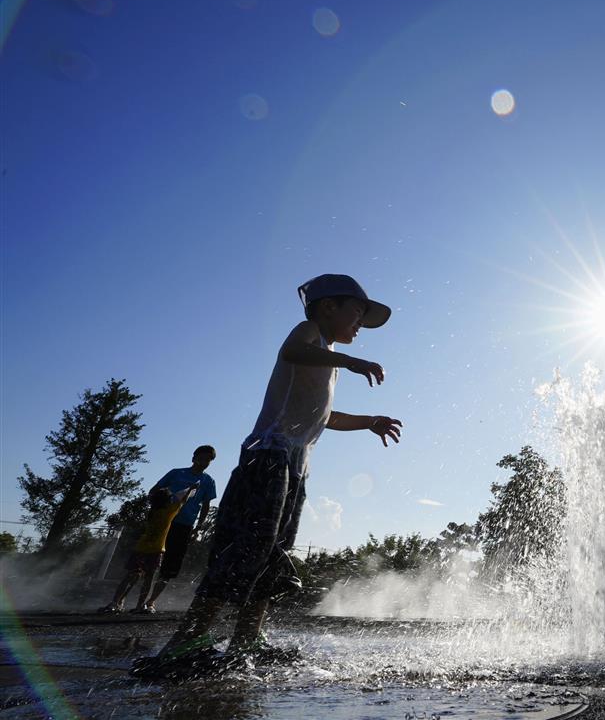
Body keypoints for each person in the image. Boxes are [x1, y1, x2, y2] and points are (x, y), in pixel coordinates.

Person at [138, 274, 403, 673]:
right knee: (244, 548)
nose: (360, 325)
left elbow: (324, 416)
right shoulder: (308, 333)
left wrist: (369, 421)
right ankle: (189, 638)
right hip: (267, 459)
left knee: (271, 554)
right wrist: (350, 361)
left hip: (294, 468)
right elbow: (292, 350)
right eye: (358, 313)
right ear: (329, 306)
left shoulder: (326, 356)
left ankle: (247, 639)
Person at [134, 445, 219, 614]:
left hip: (184, 526)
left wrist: (199, 527)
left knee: (170, 566)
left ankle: (151, 602)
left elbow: (206, 506)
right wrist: (156, 512)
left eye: (208, 460)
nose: (204, 462)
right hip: (164, 523)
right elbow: (153, 492)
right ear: (193, 457)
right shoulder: (176, 473)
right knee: (146, 561)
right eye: (201, 457)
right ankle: (131, 600)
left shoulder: (208, 481)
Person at [100, 485, 197, 614]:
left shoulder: (152, 512)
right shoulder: (169, 512)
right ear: (168, 501)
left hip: (141, 548)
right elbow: (183, 501)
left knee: (129, 577)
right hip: (156, 550)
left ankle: (115, 602)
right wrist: (190, 489)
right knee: (149, 579)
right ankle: (140, 605)